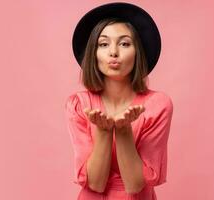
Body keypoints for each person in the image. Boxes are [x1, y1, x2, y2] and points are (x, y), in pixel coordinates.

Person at [65, 2, 174, 199]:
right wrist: (104, 131)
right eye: (104, 44)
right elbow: (96, 184)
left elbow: (134, 184)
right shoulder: (78, 104)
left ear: (137, 52)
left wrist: (123, 131)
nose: (113, 52)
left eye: (124, 43)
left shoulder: (158, 104)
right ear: (94, 53)